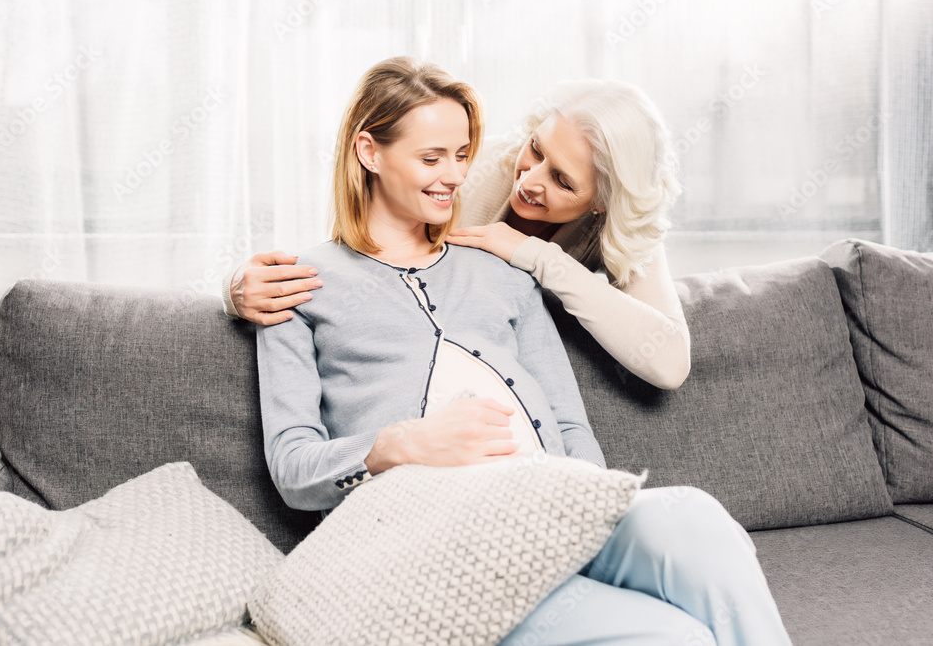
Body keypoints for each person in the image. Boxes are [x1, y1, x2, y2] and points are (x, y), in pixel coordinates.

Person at [256, 55, 791, 645]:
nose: (456, 176)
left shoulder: (504, 266)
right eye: (432, 159)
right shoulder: (298, 285)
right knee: (676, 637)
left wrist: (585, 509)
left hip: (555, 509)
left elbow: (570, 421)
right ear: (369, 152)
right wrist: (400, 444)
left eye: (461, 156)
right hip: (441, 536)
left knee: (695, 518)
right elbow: (292, 467)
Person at [225, 75, 690, 391]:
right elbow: (349, 260)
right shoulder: (467, 170)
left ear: (603, 201)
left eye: (563, 180)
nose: (529, 180)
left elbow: (669, 363)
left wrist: (538, 256)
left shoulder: (625, 224)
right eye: (536, 148)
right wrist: (237, 290)